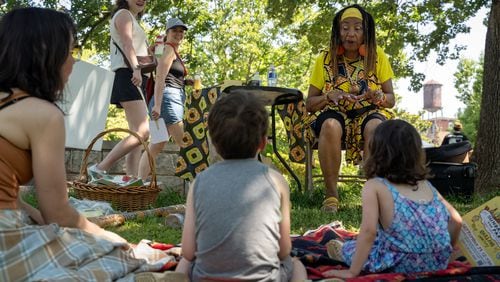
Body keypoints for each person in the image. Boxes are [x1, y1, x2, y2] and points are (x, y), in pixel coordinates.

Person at [0, 7, 190, 281]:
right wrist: (114, 240)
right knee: (120, 260)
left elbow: (14, 202)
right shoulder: (43, 115)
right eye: (70, 53)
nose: (74, 63)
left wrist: (53, 231)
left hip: (11, 219)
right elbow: (58, 213)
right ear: (45, 56)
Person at [175, 92, 307, 281]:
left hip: (207, 278)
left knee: (185, 263)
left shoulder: (199, 182)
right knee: (297, 265)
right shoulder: (277, 181)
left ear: (213, 142)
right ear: (263, 142)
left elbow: (188, 251)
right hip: (264, 278)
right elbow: (283, 249)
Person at [325, 120, 463, 278]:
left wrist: (352, 272)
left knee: (349, 248)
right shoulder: (426, 185)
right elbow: (456, 221)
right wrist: (444, 255)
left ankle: (341, 250)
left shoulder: (374, 186)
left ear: (376, 151)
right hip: (436, 263)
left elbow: (368, 232)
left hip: (398, 262)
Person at [305, 4, 396, 213]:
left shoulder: (377, 55)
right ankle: (331, 197)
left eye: (357, 28)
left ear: (366, 32)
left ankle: (373, 197)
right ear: (338, 31)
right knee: (329, 124)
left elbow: (391, 100)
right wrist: (328, 96)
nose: (351, 33)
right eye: (345, 28)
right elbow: (309, 103)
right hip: (335, 113)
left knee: (375, 126)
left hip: (368, 112)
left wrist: (380, 96)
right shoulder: (324, 58)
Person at [89, 0, 151, 177]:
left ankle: (131, 180)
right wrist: (137, 69)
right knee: (143, 132)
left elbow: (134, 47)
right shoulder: (123, 15)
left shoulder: (132, 17)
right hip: (129, 75)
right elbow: (127, 44)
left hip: (133, 75)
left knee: (137, 137)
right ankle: (99, 168)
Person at [138, 18, 191, 179]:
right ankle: (198, 187)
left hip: (165, 99)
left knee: (157, 145)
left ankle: (139, 184)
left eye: (181, 31)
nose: (178, 34)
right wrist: (158, 106)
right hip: (168, 100)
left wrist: (186, 81)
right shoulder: (168, 49)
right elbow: (160, 76)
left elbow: (166, 73)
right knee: (186, 143)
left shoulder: (169, 50)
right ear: (167, 33)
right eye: (174, 30)